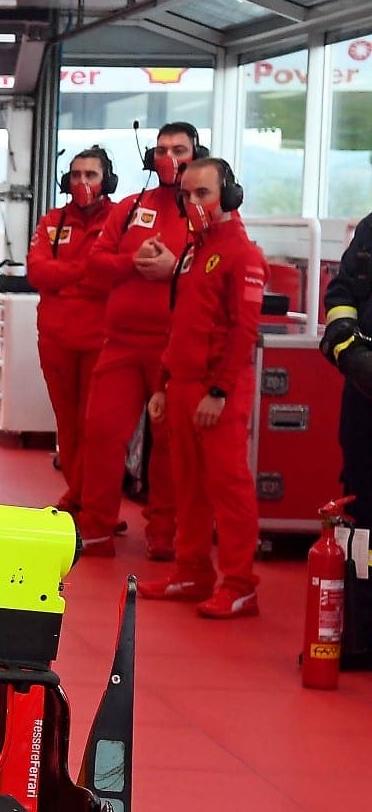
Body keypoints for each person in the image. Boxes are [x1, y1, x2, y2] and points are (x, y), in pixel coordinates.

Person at [142, 159, 265, 619]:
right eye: (187, 194)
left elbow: (243, 333)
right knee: (187, 486)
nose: (194, 203)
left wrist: (220, 391)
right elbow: (180, 326)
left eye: (203, 194)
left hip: (217, 392)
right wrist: (162, 384)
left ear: (228, 196)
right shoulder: (195, 251)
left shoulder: (242, 254)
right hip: (181, 385)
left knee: (228, 488)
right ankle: (191, 572)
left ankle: (240, 584)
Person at [74, 122, 203, 558]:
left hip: (175, 347)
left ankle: (165, 533)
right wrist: (133, 261)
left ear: (195, 153)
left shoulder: (207, 208)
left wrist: (175, 268)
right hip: (121, 343)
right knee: (102, 432)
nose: (170, 157)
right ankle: (95, 526)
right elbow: (95, 265)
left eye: (180, 149)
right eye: (163, 149)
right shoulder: (130, 208)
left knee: (169, 443)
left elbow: (218, 270)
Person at [27, 148, 119, 514]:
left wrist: (65, 277)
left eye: (91, 175)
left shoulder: (119, 220)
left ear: (106, 180)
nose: (82, 183)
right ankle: (77, 493)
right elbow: (37, 272)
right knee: (67, 423)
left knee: (96, 427)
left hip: (102, 341)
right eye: (76, 175)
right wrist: (85, 271)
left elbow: (110, 277)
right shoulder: (51, 221)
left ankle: (89, 500)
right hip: (55, 339)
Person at [319, 212, 372, 523]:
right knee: (361, 490)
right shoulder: (370, 229)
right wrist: (351, 354)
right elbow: (340, 295)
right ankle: (362, 571)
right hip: (363, 393)